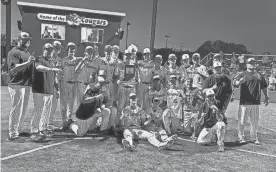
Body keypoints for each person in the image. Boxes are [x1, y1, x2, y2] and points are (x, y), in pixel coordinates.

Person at [233, 58, 269, 144]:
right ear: (246, 64)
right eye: (250, 63)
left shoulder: (259, 75)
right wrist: (239, 82)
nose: (252, 64)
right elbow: (234, 82)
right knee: (242, 121)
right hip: (244, 102)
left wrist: (267, 97)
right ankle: (241, 137)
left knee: (254, 122)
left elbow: (264, 86)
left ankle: (254, 137)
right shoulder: (242, 74)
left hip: (255, 102)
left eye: (253, 62)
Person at [30, 43, 62, 140]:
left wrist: (57, 89)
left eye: (51, 50)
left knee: (46, 111)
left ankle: (42, 129)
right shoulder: (39, 59)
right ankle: (34, 131)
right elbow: (39, 68)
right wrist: (51, 69)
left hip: (49, 90)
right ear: (43, 50)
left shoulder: (52, 61)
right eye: (47, 50)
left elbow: (55, 77)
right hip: (39, 89)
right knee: (38, 110)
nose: (49, 52)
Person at [7, 32, 35, 141]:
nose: (27, 40)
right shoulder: (14, 52)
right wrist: (28, 62)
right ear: (19, 39)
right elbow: (14, 68)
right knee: (16, 108)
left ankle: (19, 129)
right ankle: (13, 133)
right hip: (16, 83)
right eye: (25, 39)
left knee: (23, 109)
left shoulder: (27, 53)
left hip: (26, 84)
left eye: (28, 39)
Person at [59, 42, 82, 130]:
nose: (72, 50)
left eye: (73, 48)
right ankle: (63, 122)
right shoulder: (63, 60)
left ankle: (69, 121)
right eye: (70, 48)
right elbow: (59, 72)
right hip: (64, 83)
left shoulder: (78, 60)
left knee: (71, 104)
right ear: (67, 49)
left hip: (74, 84)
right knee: (63, 104)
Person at [98, 45, 118, 132]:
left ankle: (108, 126)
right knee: (102, 104)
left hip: (110, 84)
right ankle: (100, 124)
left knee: (109, 104)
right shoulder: (101, 60)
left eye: (110, 51)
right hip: (102, 85)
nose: (108, 53)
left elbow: (116, 75)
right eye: (107, 51)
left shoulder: (114, 61)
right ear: (104, 51)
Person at [117, 49, 139, 118]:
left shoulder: (133, 66)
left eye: (129, 56)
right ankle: (118, 123)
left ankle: (126, 123)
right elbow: (116, 76)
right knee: (120, 106)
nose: (128, 58)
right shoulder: (120, 64)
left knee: (128, 107)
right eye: (126, 56)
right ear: (124, 56)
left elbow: (136, 78)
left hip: (130, 89)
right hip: (122, 88)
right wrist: (119, 81)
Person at [47, 41, 62, 131]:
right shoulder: (48, 58)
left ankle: (49, 124)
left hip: (56, 84)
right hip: (48, 84)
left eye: (59, 47)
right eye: (56, 46)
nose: (57, 48)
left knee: (53, 105)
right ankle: (43, 125)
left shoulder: (59, 60)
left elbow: (58, 74)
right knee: (47, 105)